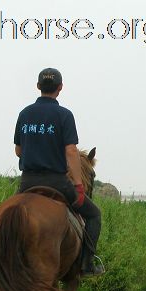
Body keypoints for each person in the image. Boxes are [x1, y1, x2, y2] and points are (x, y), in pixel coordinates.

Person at [14, 68, 104, 276]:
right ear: (60, 88)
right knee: (94, 215)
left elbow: (18, 150)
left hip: (27, 183)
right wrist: (78, 185)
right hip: (57, 183)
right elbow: (71, 151)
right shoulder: (64, 115)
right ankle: (87, 264)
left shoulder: (25, 114)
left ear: (38, 87)